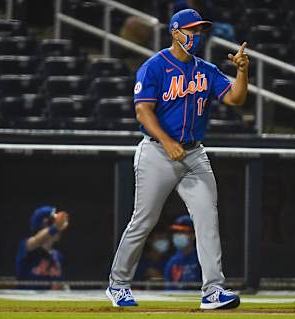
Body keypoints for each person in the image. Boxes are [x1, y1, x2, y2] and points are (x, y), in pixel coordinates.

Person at [105, 8, 248, 309]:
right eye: (190, 30)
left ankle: (213, 291)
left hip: (194, 153)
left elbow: (235, 98)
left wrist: (243, 72)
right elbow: (143, 110)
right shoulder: (154, 67)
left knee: (208, 219)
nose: (195, 36)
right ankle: (118, 284)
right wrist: (168, 142)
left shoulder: (205, 70)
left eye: (198, 31)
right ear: (174, 31)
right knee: (144, 220)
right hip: (157, 150)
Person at [15, 205, 69, 289]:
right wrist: (54, 228)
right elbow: (37, 241)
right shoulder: (25, 246)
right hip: (28, 300)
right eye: (52, 222)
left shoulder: (57, 255)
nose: (60, 229)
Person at [164, 215, 201, 289]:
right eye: (176, 232)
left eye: (183, 232)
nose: (178, 235)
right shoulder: (172, 261)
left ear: (193, 235)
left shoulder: (201, 259)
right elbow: (168, 289)